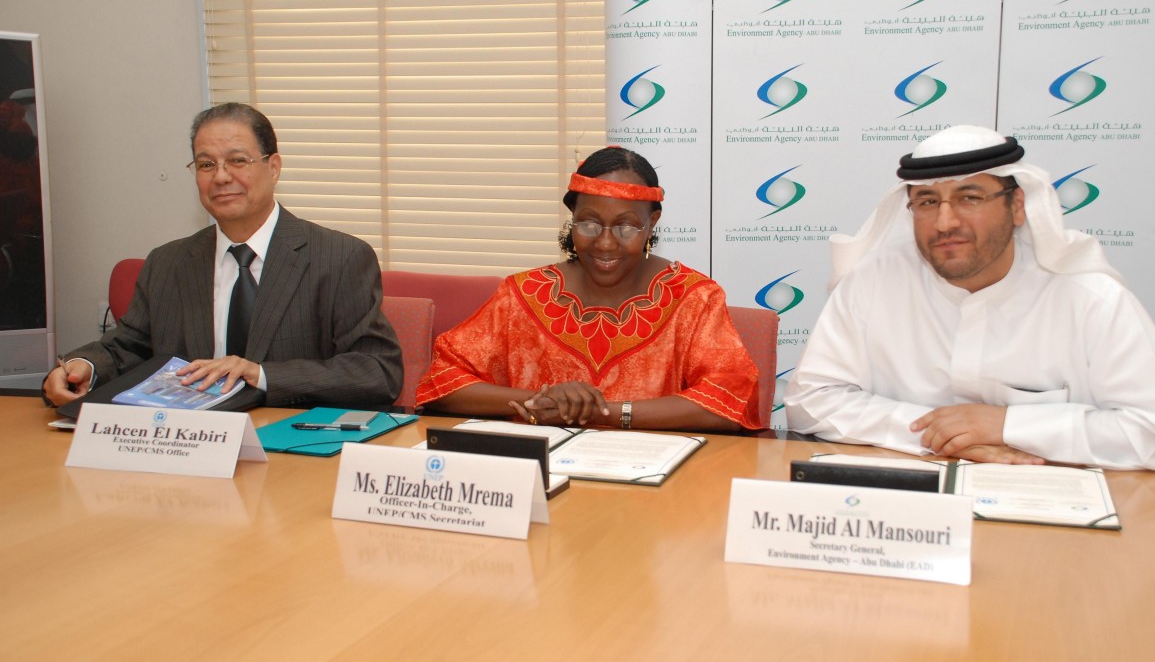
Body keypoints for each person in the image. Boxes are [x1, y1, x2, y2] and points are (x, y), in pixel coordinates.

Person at [784, 125, 1155, 470]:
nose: (945, 221)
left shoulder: (1088, 297)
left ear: (1017, 206)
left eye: (970, 197)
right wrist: (942, 434)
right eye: (927, 202)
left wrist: (1007, 426)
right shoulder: (872, 283)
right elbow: (810, 401)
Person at [43, 102, 403, 408]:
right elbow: (127, 349)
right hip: (186, 444)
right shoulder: (167, 264)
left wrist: (259, 374)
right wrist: (82, 367)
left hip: (288, 447)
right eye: (206, 165)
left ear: (273, 166)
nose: (221, 177)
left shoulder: (339, 257)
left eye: (237, 161)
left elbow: (377, 371)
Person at [416, 146, 762, 432]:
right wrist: (541, 400)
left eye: (626, 226)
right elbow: (442, 382)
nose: (606, 243)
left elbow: (730, 401)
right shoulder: (522, 294)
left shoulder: (694, 298)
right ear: (572, 216)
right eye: (590, 223)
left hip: (655, 486)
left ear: (651, 222)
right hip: (543, 475)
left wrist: (602, 412)